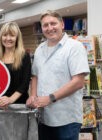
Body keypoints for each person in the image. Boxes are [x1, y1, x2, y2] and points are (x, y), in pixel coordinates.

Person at [26, 10, 90, 140]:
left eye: (53, 23)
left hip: (66, 119)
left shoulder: (74, 47)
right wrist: (33, 96)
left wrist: (50, 98)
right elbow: (35, 76)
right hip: (44, 118)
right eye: (45, 25)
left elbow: (78, 82)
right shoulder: (40, 49)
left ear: (61, 25)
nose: (49, 28)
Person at [0, 22, 31, 110]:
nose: (8, 38)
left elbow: (25, 83)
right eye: (5, 35)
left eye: (12, 35)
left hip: (19, 105)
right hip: (0, 105)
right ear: (0, 38)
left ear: (17, 38)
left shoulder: (24, 56)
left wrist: (10, 99)